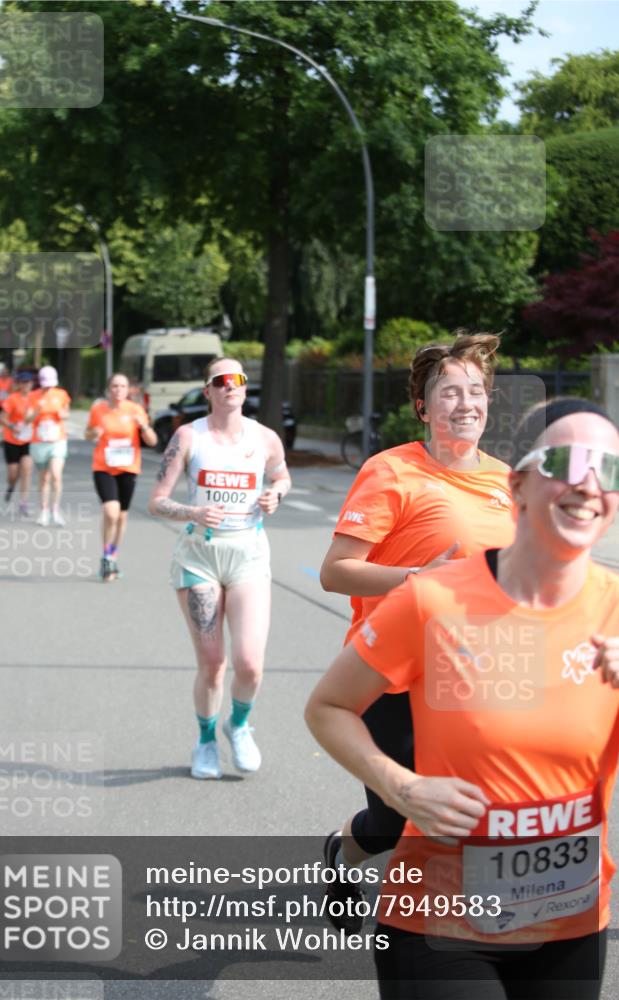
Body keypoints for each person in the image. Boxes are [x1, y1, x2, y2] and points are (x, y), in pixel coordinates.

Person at [306, 398, 619, 1000]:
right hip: (441, 922)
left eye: (607, 468)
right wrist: (402, 786)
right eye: (566, 461)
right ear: (520, 482)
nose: (587, 482)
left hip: (571, 917)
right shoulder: (433, 600)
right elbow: (329, 707)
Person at [318, 333, 515, 929]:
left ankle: (435, 927)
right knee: (397, 818)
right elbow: (335, 571)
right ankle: (342, 852)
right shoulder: (392, 471)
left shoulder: (509, 481)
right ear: (424, 408)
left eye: (475, 390)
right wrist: (417, 578)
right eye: (449, 392)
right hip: (392, 675)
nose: (465, 402)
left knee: (483, 805)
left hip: (479, 674)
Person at [149, 357, 291, 780]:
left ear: (245, 389)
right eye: (221, 381)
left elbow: (282, 478)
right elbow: (157, 500)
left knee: (250, 663)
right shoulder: (188, 437)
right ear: (208, 390)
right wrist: (192, 511)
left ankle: (239, 725)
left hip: (247, 555)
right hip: (199, 558)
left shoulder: (265, 439)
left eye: (238, 380)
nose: (231, 386)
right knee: (212, 664)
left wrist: (276, 495)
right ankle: (206, 739)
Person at [86, 373, 157, 581]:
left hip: (128, 468)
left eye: (122, 386)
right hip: (103, 466)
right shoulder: (99, 410)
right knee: (111, 512)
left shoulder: (135, 410)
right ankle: (106, 556)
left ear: (128, 390)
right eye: (115, 386)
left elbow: (152, 441)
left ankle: (113, 556)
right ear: (109, 389)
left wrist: (143, 426)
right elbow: (87, 434)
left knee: (122, 516)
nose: (118, 390)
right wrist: (94, 434)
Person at [24, 365, 71, 527]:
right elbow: (27, 419)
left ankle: (55, 509)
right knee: (44, 478)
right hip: (39, 441)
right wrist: (38, 409)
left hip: (57, 440)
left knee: (56, 475)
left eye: (51, 383)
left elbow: (67, 413)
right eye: (46, 383)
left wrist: (60, 413)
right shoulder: (33, 396)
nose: (49, 387)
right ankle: (44, 510)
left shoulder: (61, 394)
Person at [0, 370, 34, 514]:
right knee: (13, 473)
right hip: (12, 439)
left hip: (29, 439)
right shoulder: (12, 399)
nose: (26, 385)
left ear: (32, 384)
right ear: (18, 384)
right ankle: (11, 486)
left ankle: (23, 501)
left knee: (26, 469)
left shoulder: (35, 398)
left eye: (28, 382)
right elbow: (3, 418)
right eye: (23, 382)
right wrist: (13, 427)